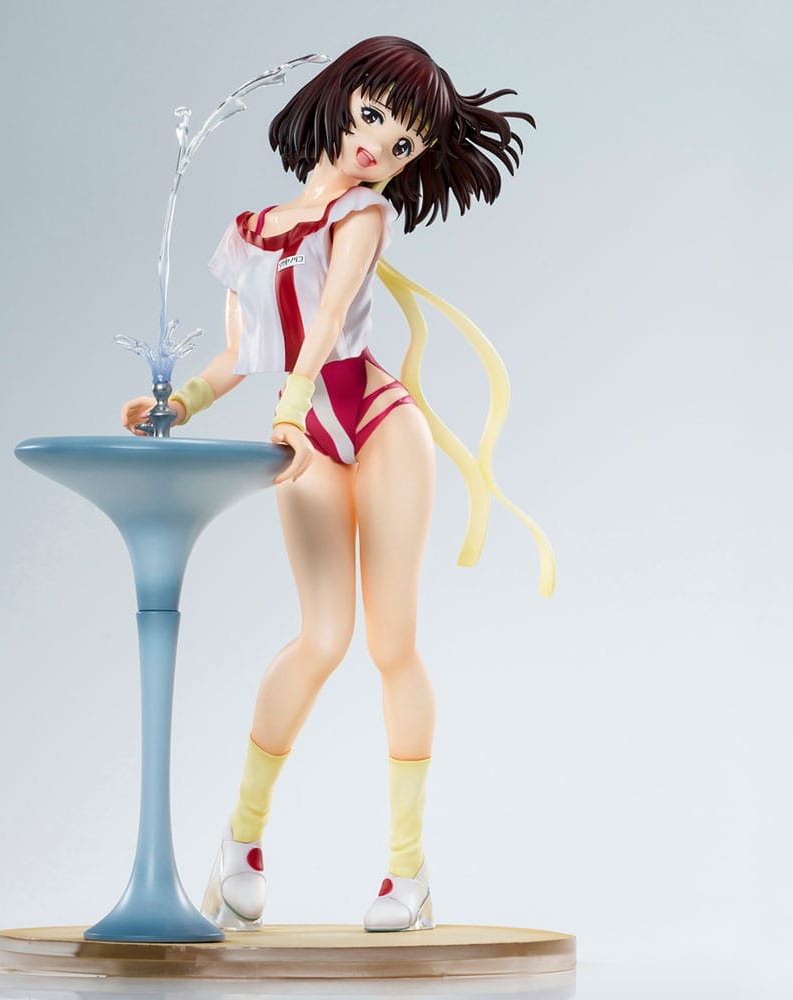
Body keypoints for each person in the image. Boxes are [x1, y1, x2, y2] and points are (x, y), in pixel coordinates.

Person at [122, 36, 554, 932]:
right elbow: (241, 353)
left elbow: (326, 321)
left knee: (393, 644)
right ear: (338, 95)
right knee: (321, 639)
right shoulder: (248, 233)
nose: (378, 147)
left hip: (376, 420)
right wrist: (178, 405)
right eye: (372, 117)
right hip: (309, 438)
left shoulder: (363, 215)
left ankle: (408, 872)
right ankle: (240, 846)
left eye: (403, 145)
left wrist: (290, 403)